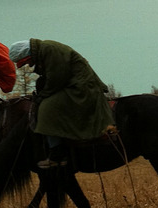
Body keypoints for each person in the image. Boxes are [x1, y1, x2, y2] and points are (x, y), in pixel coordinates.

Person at [8, 38, 114, 169]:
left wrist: (43, 95)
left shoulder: (49, 50)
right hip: (71, 84)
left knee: (47, 109)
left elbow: (57, 78)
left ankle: (56, 154)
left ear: (28, 54)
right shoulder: (44, 51)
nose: (28, 65)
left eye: (26, 61)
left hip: (80, 87)